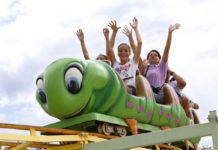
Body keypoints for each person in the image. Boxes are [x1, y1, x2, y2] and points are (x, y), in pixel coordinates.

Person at [143, 23, 181, 104]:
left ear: (159, 59)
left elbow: (167, 48)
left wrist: (170, 33)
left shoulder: (161, 67)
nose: (153, 56)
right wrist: (143, 67)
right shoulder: (146, 67)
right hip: (147, 94)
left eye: (155, 55)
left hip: (159, 96)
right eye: (150, 55)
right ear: (148, 59)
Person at [106, 18, 142, 95]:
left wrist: (135, 29)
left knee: (120, 88)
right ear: (118, 53)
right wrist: (114, 32)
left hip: (129, 90)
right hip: (117, 89)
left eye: (126, 50)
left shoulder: (133, 63)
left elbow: (140, 43)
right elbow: (110, 48)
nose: (123, 52)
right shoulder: (115, 64)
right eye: (121, 50)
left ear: (129, 53)